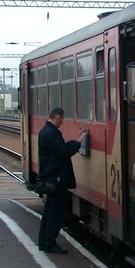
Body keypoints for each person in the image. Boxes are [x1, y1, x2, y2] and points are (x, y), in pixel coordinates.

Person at [37, 107, 85, 254]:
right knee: (55, 213)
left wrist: (73, 142)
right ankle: (50, 243)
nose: (63, 122)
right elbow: (64, 152)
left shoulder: (45, 131)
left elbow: (60, 149)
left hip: (51, 178)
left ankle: (44, 242)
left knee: (49, 211)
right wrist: (78, 142)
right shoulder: (52, 133)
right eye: (62, 118)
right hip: (57, 179)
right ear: (57, 116)